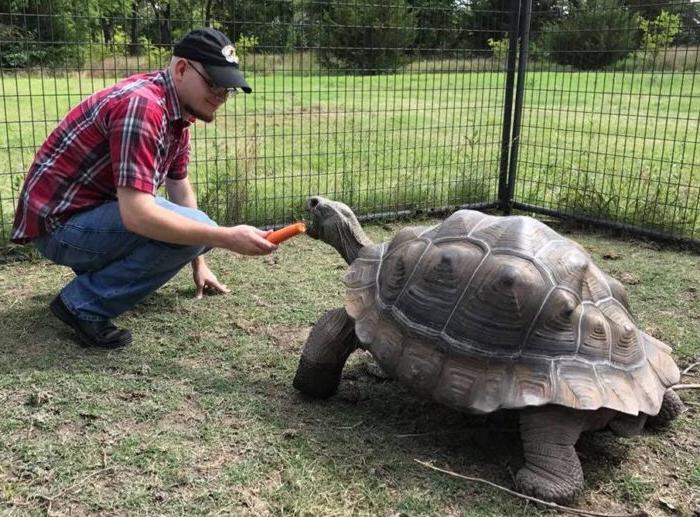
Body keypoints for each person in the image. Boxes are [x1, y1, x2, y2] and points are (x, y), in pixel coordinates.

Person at [11, 28, 277, 349]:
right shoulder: (143, 107)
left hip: (85, 216)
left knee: (198, 230)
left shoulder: (176, 111)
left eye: (228, 87)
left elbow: (178, 184)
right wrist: (223, 237)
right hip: (59, 228)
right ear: (181, 69)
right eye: (214, 82)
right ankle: (82, 304)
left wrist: (199, 259)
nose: (222, 95)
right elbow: (137, 216)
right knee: (201, 228)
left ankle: (98, 277)